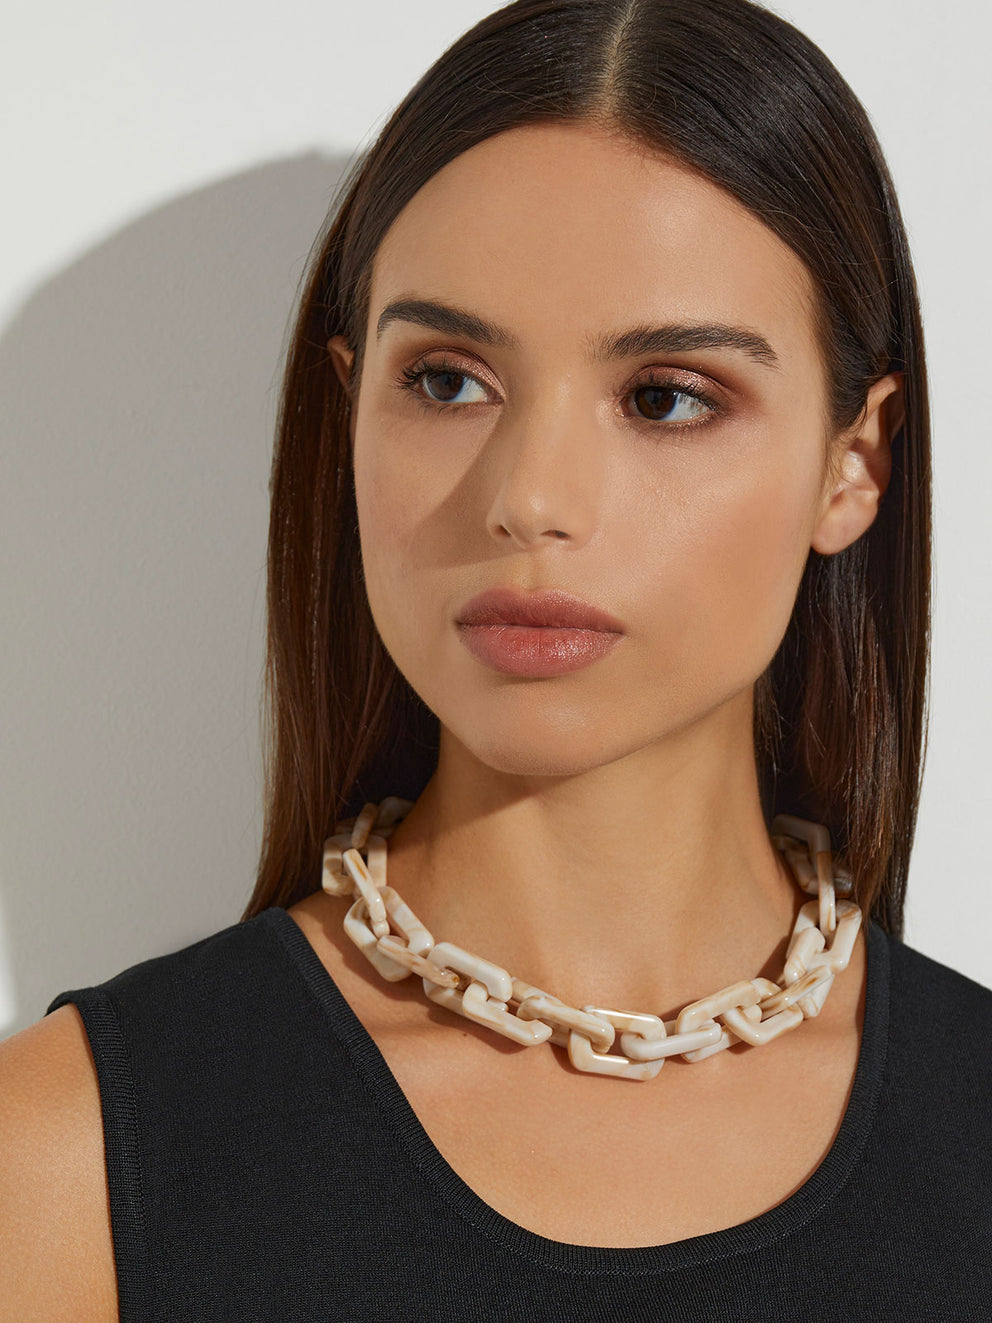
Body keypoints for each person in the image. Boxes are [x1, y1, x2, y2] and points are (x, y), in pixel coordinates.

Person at [2, 0, 990, 1317]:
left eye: (666, 398)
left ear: (852, 464)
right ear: (350, 411)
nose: (529, 498)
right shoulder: (60, 1163)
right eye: (449, 381)